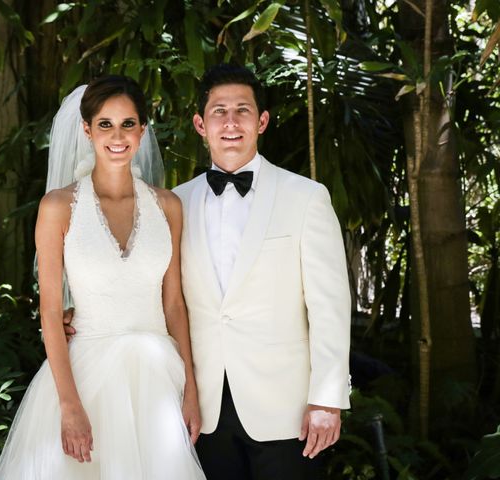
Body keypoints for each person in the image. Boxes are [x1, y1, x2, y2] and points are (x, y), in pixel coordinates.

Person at [0, 75, 205, 479]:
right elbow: (51, 312)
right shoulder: (58, 207)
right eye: (105, 124)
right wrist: (69, 406)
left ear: (143, 129)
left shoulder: (169, 206)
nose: (117, 136)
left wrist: (191, 388)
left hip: (157, 380)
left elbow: (174, 304)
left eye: (128, 124)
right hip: (85, 380)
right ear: (86, 130)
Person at [172, 63, 351, 479]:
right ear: (200, 124)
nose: (230, 123)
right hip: (204, 409)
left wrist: (327, 399)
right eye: (218, 111)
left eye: (243, 110)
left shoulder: (306, 198)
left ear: (262, 120)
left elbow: (330, 306)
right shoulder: (174, 204)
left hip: (286, 409)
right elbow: (162, 297)